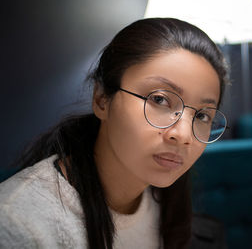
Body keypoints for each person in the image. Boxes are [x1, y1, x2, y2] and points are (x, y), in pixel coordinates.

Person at [0, 18, 228, 249]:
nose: (183, 135)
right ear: (101, 99)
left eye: (201, 116)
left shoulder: (168, 204)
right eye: (159, 99)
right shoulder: (18, 224)